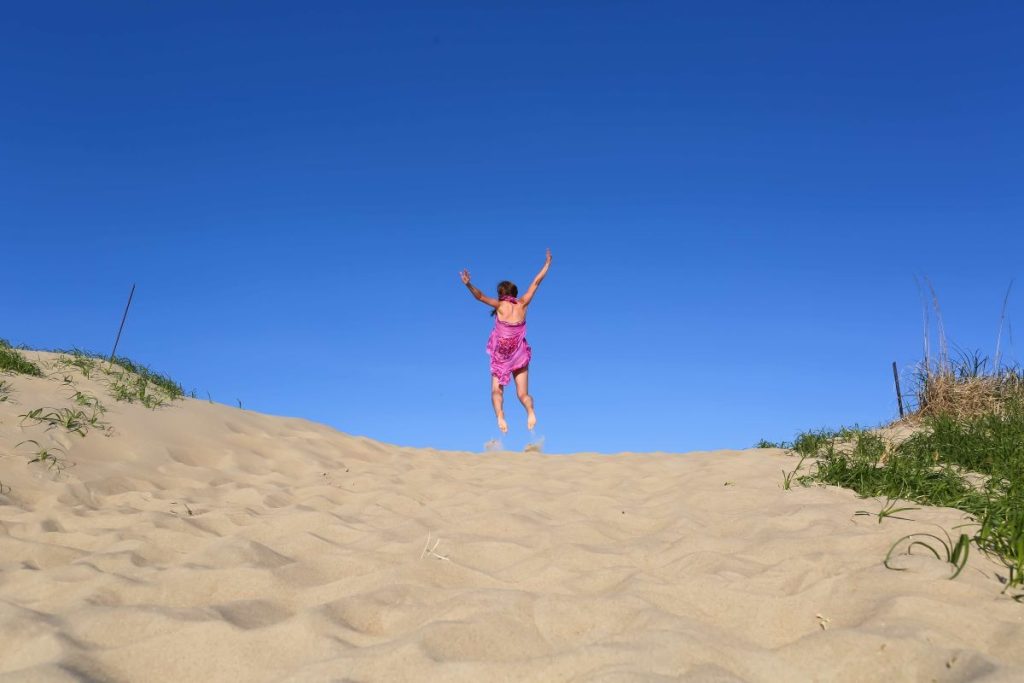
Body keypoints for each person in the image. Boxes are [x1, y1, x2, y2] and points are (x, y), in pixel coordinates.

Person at [460, 249, 551, 434]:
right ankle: (530, 410)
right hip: (519, 354)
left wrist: (468, 284)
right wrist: (547, 264)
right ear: (515, 293)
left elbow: (480, 297)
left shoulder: (500, 305)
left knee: (496, 391)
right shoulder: (523, 303)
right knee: (523, 394)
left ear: (501, 294)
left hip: (502, 355)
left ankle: (500, 415)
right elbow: (536, 282)